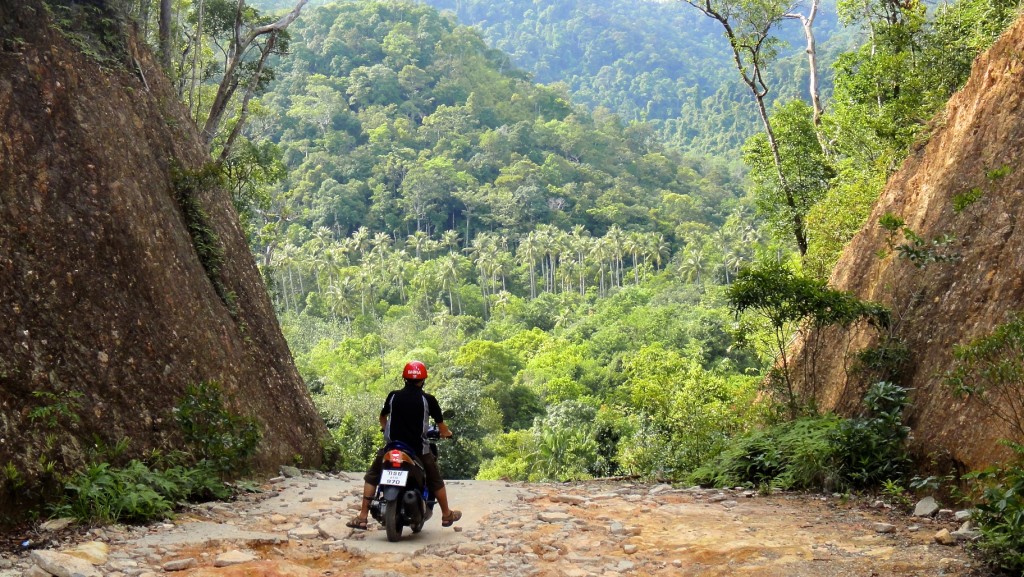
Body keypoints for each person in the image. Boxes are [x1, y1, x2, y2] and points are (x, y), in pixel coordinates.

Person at [347, 360, 462, 530]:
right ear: (423, 380)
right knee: (435, 479)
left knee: (372, 476)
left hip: (392, 447)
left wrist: (386, 430)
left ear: (404, 378)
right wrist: (446, 434)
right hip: (417, 450)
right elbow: (442, 427)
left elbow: (382, 417)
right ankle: (446, 515)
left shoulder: (393, 396)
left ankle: (363, 516)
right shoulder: (428, 399)